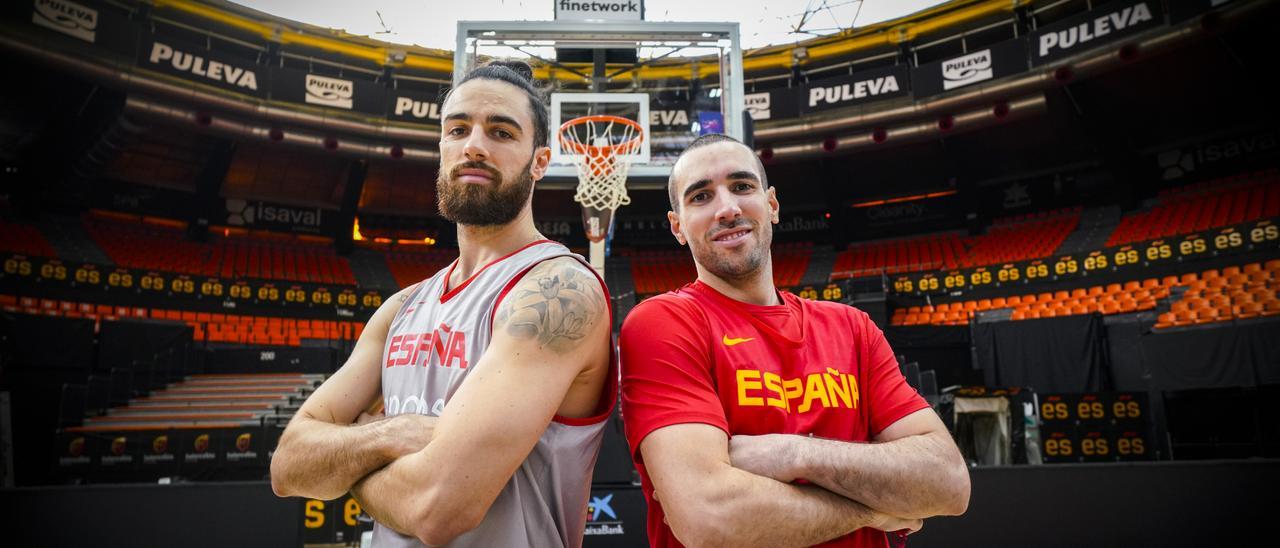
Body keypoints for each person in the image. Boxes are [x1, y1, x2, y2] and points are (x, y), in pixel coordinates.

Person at [270, 61, 615, 548]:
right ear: (441, 147)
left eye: (500, 131)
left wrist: (346, 463)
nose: (474, 144)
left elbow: (438, 506)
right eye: (458, 129)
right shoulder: (400, 307)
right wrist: (395, 434)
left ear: (540, 160)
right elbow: (288, 466)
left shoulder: (559, 291)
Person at [619, 133, 970, 548]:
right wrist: (875, 511)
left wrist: (793, 454)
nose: (727, 209)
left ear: (772, 205)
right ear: (677, 227)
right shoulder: (664, 323)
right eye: (700, 197)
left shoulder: (853, 328)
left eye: (742, 187)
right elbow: (711, 517)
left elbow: (948, 481)